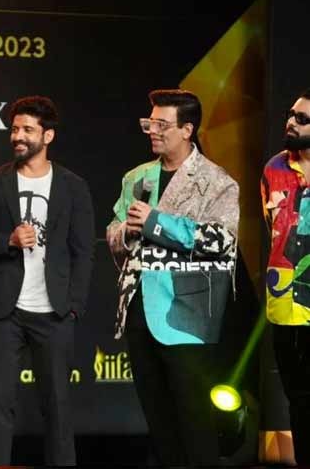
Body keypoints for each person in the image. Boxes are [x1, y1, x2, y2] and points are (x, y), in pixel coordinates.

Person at [107, 89, 239, 467]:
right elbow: (114, 231)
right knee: (158, 417)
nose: (153, 131)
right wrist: (126, 232)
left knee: (193, 417)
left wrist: (156, 223)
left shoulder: (216, 181)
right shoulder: (137, 177)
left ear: (187, 129)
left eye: (162, 125)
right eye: (149, 123)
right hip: (139, 308)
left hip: (187, 312)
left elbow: (221, 240)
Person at [0, 95, 94, 466]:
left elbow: (84, 251)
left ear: (47, 136)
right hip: (2, 313)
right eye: (14, 129)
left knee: (58, 410)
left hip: (54, 312)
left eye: (27, 129)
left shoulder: (73, 186)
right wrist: (6, 241)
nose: (17, 136)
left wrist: (73, 306)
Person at [263, 89, 310, 463]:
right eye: (291, 115)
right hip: (285, 301)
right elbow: (273, 229)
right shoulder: (274, 167)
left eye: (302, 119)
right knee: (299, 398)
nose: (291, 122)